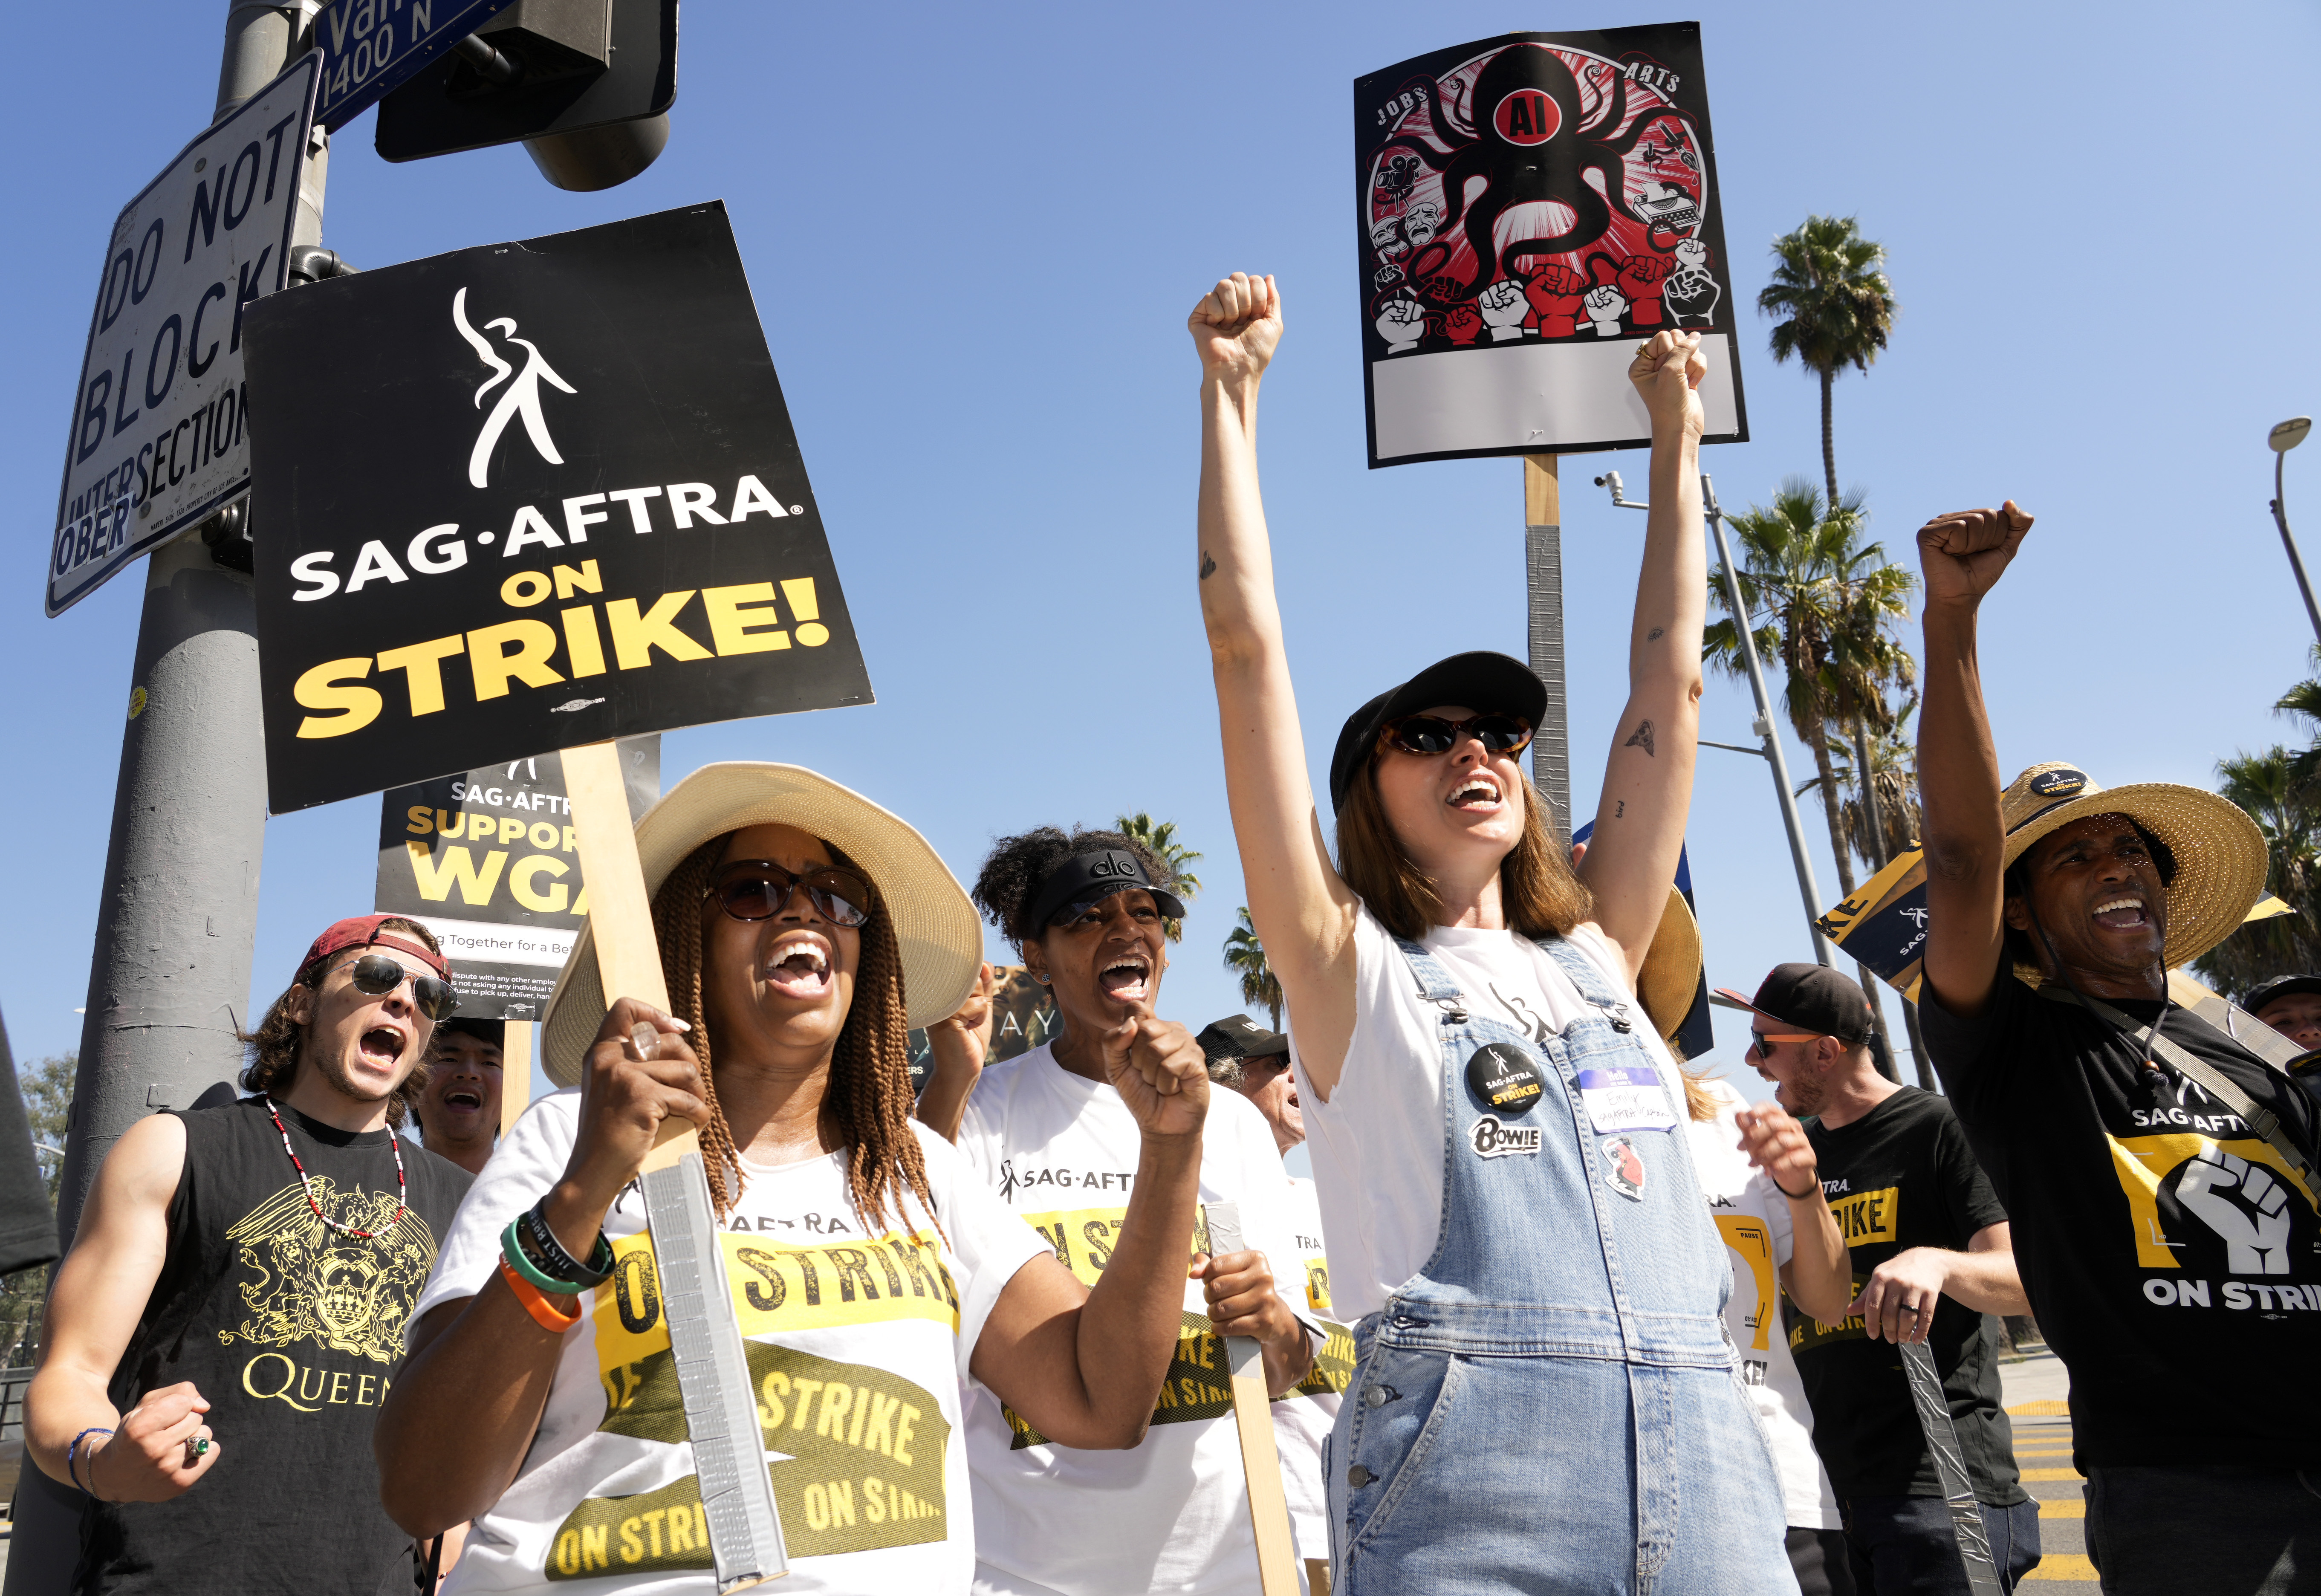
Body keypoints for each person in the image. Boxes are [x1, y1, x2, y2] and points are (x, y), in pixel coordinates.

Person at [1188, 270, 1795, 1592]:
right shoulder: (1350, 976)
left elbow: (1673, 684)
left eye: (1500, 736)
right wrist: (1231, 396)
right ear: (1367, 796)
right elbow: (1245, 649)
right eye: (1428, 736)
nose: (1476, 752)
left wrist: (1674, 430)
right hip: (1471, 1491)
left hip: (1712, 1461)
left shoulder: (1600, 960)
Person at [374, 766, 1214, 1595]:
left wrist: (1171, 1151)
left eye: (839, 895)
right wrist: (585, 1193)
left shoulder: (916, 1172)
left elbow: (1101, 1402)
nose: (806, 909)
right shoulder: (566, 1141)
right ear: (683, 939)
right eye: (753, 889)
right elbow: (425, 1486)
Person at [1911, 500, 2321, 1594]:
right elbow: (1956, 855)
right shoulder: (2017, 1046)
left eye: (2129, 849)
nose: (2112, 864)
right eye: (2072, 856)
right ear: (2025, 921)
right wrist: (1950, 618)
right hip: (2190, 1504)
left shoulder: (2251, 1056)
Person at [27, 914, 474, 1596]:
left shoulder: (466, 1203)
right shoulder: (174, 1150)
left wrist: (457, 1536)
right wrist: (103, 1460)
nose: (404, 1000)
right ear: (300, 1003)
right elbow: (71, 1375)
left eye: (429, 996)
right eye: (378, 975)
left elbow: (464, 1415)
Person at [929, 827, 1314, 1596]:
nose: (1125, 929)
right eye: (1086, 916)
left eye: (1145, 911)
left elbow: (1290, 1366)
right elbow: (914, 1288)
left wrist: (1271, 1319)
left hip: (1230, 1570)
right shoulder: (979, 1112)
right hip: (1030, 1574)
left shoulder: (1232, 1121)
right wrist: (948, 1081)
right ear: (1036, 957)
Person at [1722, 964, 2038, 1590]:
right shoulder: (1790, 1155)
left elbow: (2026, 1278)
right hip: (1820, 1493)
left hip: (1937, 1487)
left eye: (1766, 1045)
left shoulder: (1936, 1128)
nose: (1752, 1060)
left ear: (1825, 1051)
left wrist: (1938, 1261)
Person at [1683, 1068, 1857, 1596]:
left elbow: (1828, 1301)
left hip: (1784, 1485)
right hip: (1636, 1496)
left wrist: (1802, 1187)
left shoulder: (1722, 1111)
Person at [1199, 1013, 1346, 1596]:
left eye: (1297, 1065)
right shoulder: (1201, 1210)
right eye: (1276, 1066)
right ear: (1223, 1087)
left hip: (1359, 1515)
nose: (1296, 1078)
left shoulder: (1331, 1202)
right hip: (1276, 1526)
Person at [413, 1016, 506, 1177]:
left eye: (490, 1063)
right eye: (449, 1059)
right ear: (412, 1088)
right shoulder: (381, 1191)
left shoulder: (537, 1200)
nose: (469, 1072)